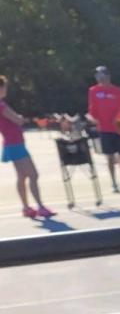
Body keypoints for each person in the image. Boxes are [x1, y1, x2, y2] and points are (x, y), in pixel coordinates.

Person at [0, 76, 55, 219]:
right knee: (33, 174)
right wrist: (24, 119)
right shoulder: (1, 105)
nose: (6, 89)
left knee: (22, 176)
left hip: (12, 143)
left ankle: (26, 208)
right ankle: (40, 207)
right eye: (4, 86)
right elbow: (17, 120)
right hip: (15, 144)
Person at [86, 64, 120, 190]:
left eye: (102, 75)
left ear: (108, 76)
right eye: (97, 75)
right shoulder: (93, 91)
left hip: (119, 127)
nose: (100, 78)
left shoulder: (118, 90)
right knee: (109, 156)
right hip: (104, 128)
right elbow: (92, 110)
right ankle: (114, 183)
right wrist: (92, 118)